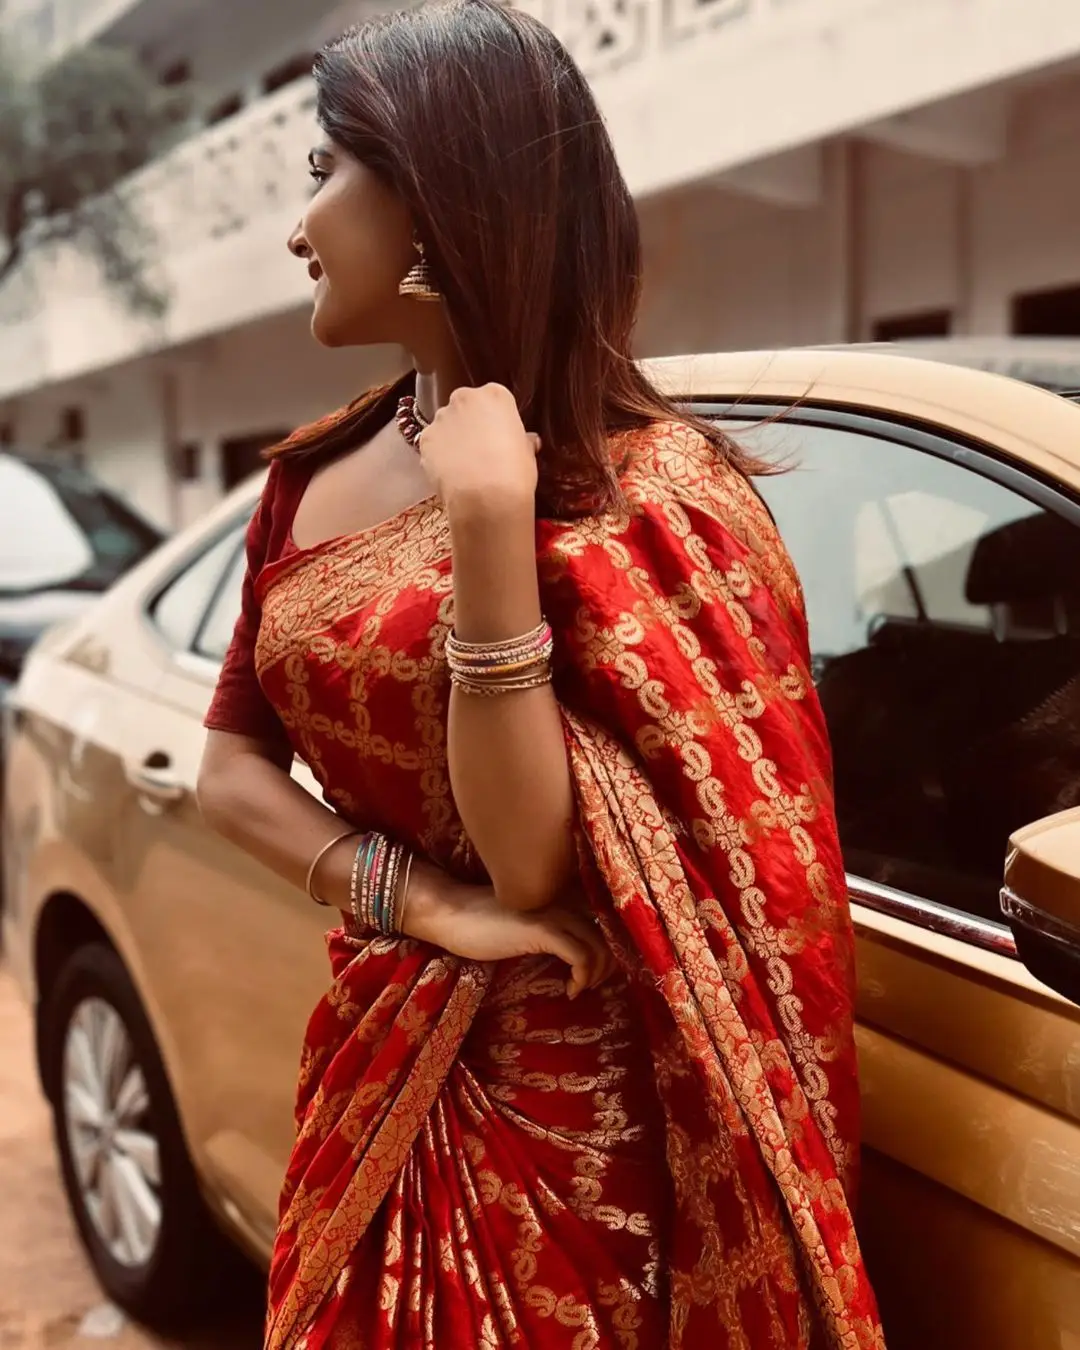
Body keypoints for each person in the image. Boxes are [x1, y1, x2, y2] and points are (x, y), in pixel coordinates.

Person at [197, 2, 884, 1345]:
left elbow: (535, 868)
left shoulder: (660, 494)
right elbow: (229, 765)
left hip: (589, 1135)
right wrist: (423, 904)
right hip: (385, 1055)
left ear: (442, 196)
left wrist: (492, 533)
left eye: (326, 174)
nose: (300, 226)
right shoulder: (305, 482)